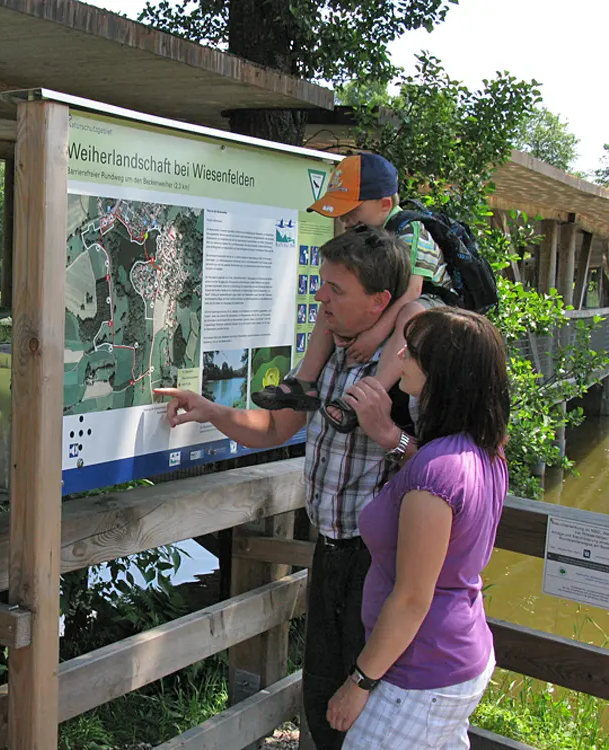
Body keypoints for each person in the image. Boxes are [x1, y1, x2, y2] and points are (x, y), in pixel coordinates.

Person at [155, 224, 414, 749]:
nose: (320, 297)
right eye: (323, 284)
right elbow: (275, 429)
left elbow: (446, 469)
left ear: (379, 301)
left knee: (371, 703)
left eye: (336, 289)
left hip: (380, 562)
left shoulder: (413, 369)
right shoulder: (334, 355)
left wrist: (392, 436)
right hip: (331, 552)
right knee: (322, 696)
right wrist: (210, 411)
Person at [326, 307, 509, 749]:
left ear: (441, 374)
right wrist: (393, 436)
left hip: (418, 673)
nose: (400, 354)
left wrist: (359, 682)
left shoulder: (436, 474)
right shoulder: (484, 451)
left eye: (414, 350)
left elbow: (411, 598)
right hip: (457, 656)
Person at [254, 152, 450, 433]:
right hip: (387, 300)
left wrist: (374, 335)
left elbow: (411, 292)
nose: (344, 219)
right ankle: (304, 383)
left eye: (352, 211)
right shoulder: (365, 234)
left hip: (426, 303)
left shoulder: (410, 230)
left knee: (411, 313)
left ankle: (372, 392)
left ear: (384, 204)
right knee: (328, 299)